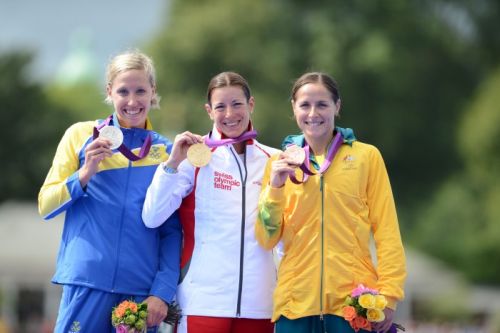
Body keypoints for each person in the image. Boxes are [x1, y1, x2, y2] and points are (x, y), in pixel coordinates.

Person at [38, 50, 182, 333]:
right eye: (123, 91)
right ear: (109, 92)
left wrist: (161, 292)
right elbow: (46, 204)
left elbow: (172, 231)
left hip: (139, 292)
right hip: (86, 282)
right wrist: (85, 173)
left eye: (141, 90)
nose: (132, 101)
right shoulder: (80, 135)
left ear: (153, 92)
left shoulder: (167, 152)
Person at [255, 72, 407, 333]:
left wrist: (389, 294)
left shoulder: (366, 157)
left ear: (337, 106)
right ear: (294, 108)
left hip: (353, 305)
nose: (313, 113)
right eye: (305, 105)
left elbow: (387, 231)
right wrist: (276, 187)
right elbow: (266, 238)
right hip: (295, 304)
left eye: (322, 104)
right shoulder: (279, 163)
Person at [142, 72, 280, 333]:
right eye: (220, 106)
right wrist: (172, 163)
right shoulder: (193, 157)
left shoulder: (273, 160)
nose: (230, 114)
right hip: (203, 302)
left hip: (260, 303)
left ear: (251, 105)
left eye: (237, 104)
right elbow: (152, 216)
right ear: (209, 111)